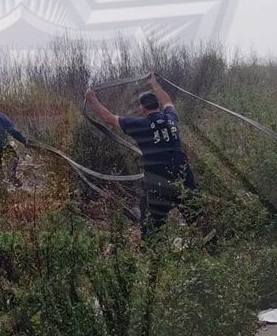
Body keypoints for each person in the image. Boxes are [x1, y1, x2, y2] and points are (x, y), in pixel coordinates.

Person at [85, 72, 199, 238]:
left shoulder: (140, 124)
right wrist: (154, 83)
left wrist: (91, 98)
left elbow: (108, 118)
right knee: (198, 220)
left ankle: (153, 257)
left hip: (158, 182)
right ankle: (213, 247)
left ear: (142, 108)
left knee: (151, 228)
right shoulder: (171, 118)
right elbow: (167, 101)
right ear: (157, 105)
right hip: (183, 176)